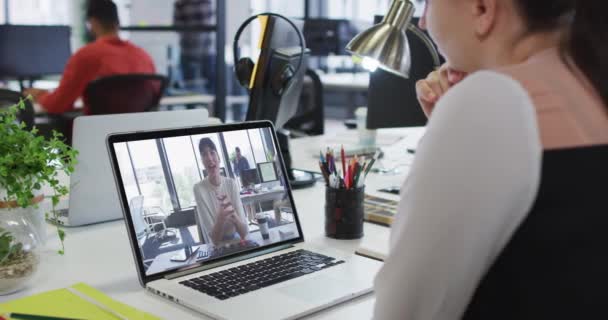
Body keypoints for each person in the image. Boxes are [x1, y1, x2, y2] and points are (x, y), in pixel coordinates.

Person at [373, 1, 608, 319]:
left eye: (428, 3)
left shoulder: (493, 100)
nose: (424, 22)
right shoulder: (590, 82)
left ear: (483, 9)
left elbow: (403, 311)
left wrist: (458, 121)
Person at [24, 0, 156, 114]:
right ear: (118, 22)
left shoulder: (87, 55)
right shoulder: (143, 56)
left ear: (92, 23)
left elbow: (58, 105)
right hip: (133, 134)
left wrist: (40, 95)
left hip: (94, 133)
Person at [194, 138, 249, 246]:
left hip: (237, 242)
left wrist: (234, 216)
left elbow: (244, 233)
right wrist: (220, 219)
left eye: (212, 152)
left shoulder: (231, 183)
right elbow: (215, 240)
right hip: (217, 248)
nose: (209, 158)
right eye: (204, 154)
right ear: (202, 161)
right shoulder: (198, 189)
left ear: (219, 157)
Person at [173, 0, 216, 93]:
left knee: (212, 87)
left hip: (205, 50)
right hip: (188, 50)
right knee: (188, 87)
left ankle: (211, 106)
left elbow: (208, 24)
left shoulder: (205, 2)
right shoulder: (180, 3)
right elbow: (177, 26)